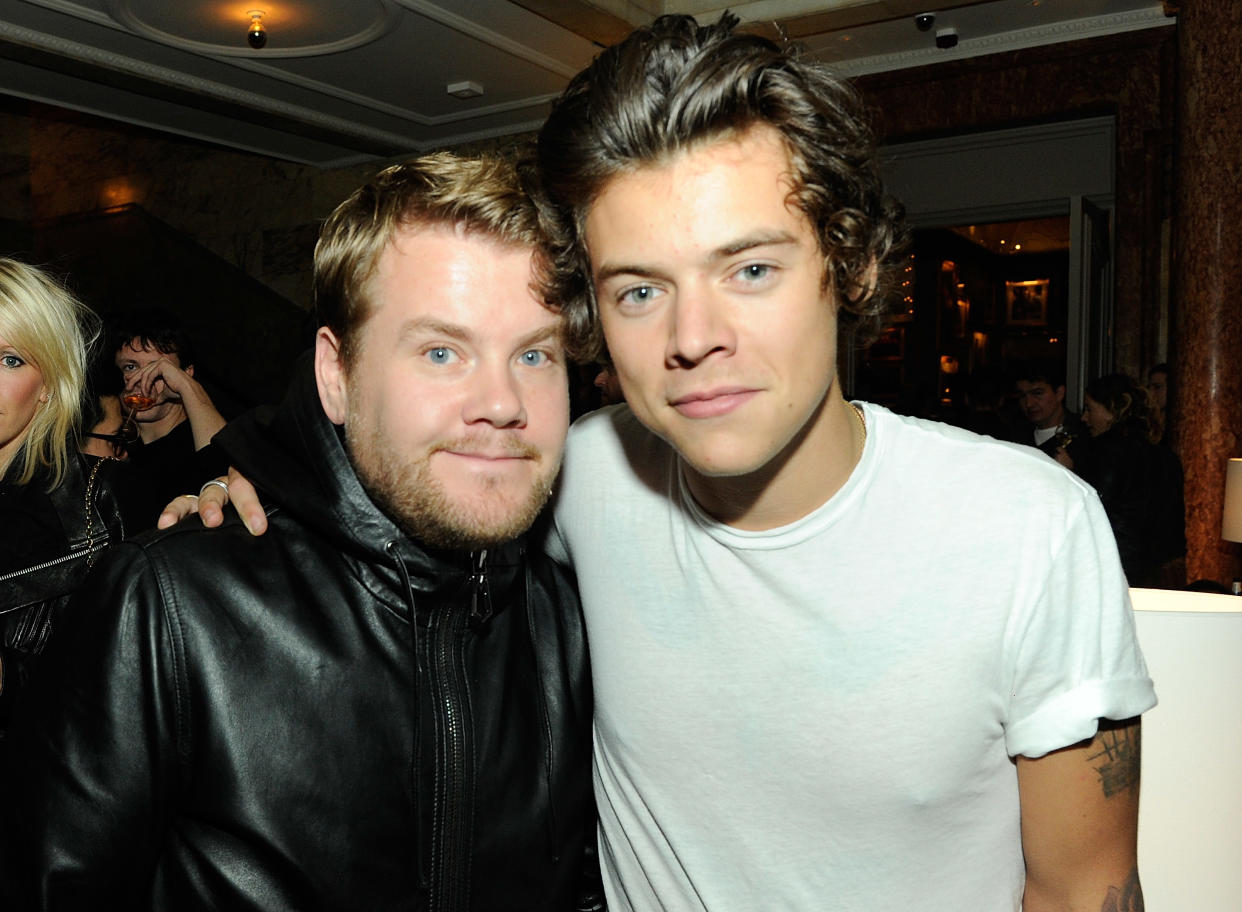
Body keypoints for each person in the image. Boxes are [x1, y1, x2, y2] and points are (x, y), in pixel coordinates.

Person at [180, 15, 1156, 911]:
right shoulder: (577, 471)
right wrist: (267, 490)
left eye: (752, 270)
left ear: (850, 265)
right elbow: (411, 467)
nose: (694, 337)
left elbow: (1086, 893)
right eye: (641, 290)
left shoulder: (1026, 525)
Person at [1, 155, 598, 910]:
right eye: (441, 351)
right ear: (335, 375)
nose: (503, 403)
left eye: (534, 353)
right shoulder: (173, 607)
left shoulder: (565, 621)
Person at [0, 259, 126, 737]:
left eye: (10, 359)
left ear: (50, 386)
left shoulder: (99, 506)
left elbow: (115, 702)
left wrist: (8, 676)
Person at [1057, 373, 1185, 587]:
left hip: (1117, 571)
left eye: (1089, 409)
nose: (1084, 418)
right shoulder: (1166, 456)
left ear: (1112, 411)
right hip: (1162, 576)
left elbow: (1093, 512)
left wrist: (1068, 475)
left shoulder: (1104, 452)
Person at [111, 309, 229, 526]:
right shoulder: (108, 441)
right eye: (130, 367)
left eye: (157, 370)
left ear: (186, 373)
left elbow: (224, 470)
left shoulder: (198, 437)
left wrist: (185, 386)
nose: (141, 380)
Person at [1014, 359, 1086, 457]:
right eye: (1022, 396)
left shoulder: (1084, 434)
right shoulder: (1015, 438)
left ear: (1059, 393)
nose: (1029, 403)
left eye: (1037, 393)